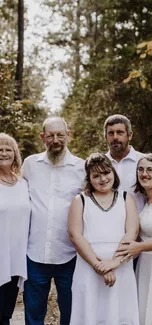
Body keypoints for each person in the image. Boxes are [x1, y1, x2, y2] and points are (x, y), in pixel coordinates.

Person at [22, 116, 85, 325]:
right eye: (50, 135)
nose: (55, 140)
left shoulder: (81, 167)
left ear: (68, 135)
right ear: (42, 137)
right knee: (33, 311)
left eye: (60, 134)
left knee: (71, 310)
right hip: (35, 253)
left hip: (69, 254)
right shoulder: (30, 164)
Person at [68, 152, 140, 325]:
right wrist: (100, 266)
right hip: (89, 267)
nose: (103, 179)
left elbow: (132, 231)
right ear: (89, 178)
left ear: (113, 172)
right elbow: (75, 235)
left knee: (119, 313)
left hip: (121, 267)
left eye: (106, 173)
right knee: (90, 313)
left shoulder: (126, 198)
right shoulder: (80, 200)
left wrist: (114, 263)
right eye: (96, 175)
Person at [116, 153, 152, 325]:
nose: (144, 173)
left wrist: (140, 247)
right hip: (145, 266)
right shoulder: (146, 200)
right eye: (140, 169)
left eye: (150, 170)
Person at [0, 133, 31, 325]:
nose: (3, 153)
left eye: (8, 149)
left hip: (15, 259)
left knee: (6, 313)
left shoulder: (23, 183)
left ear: (15, 153)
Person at [104, 114, 144, 213]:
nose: (115, 137)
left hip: (140, 226)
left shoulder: (145, 162)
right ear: (105, 137)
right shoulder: (100, 165)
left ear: (130, 135)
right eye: (111, 133)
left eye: (120, 132)